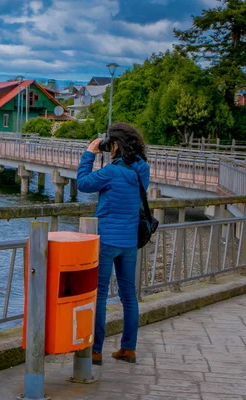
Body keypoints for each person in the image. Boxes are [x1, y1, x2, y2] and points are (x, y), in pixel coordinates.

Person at [76, 122, 150, 365]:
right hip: (129, 241)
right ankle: (128, 348)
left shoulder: (111, 172)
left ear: (116, 145)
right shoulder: (142, 170)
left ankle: (95, 350)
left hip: (106, 239)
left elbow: (84, 183)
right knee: (129, 295)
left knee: (99, 295)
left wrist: (89, 153)